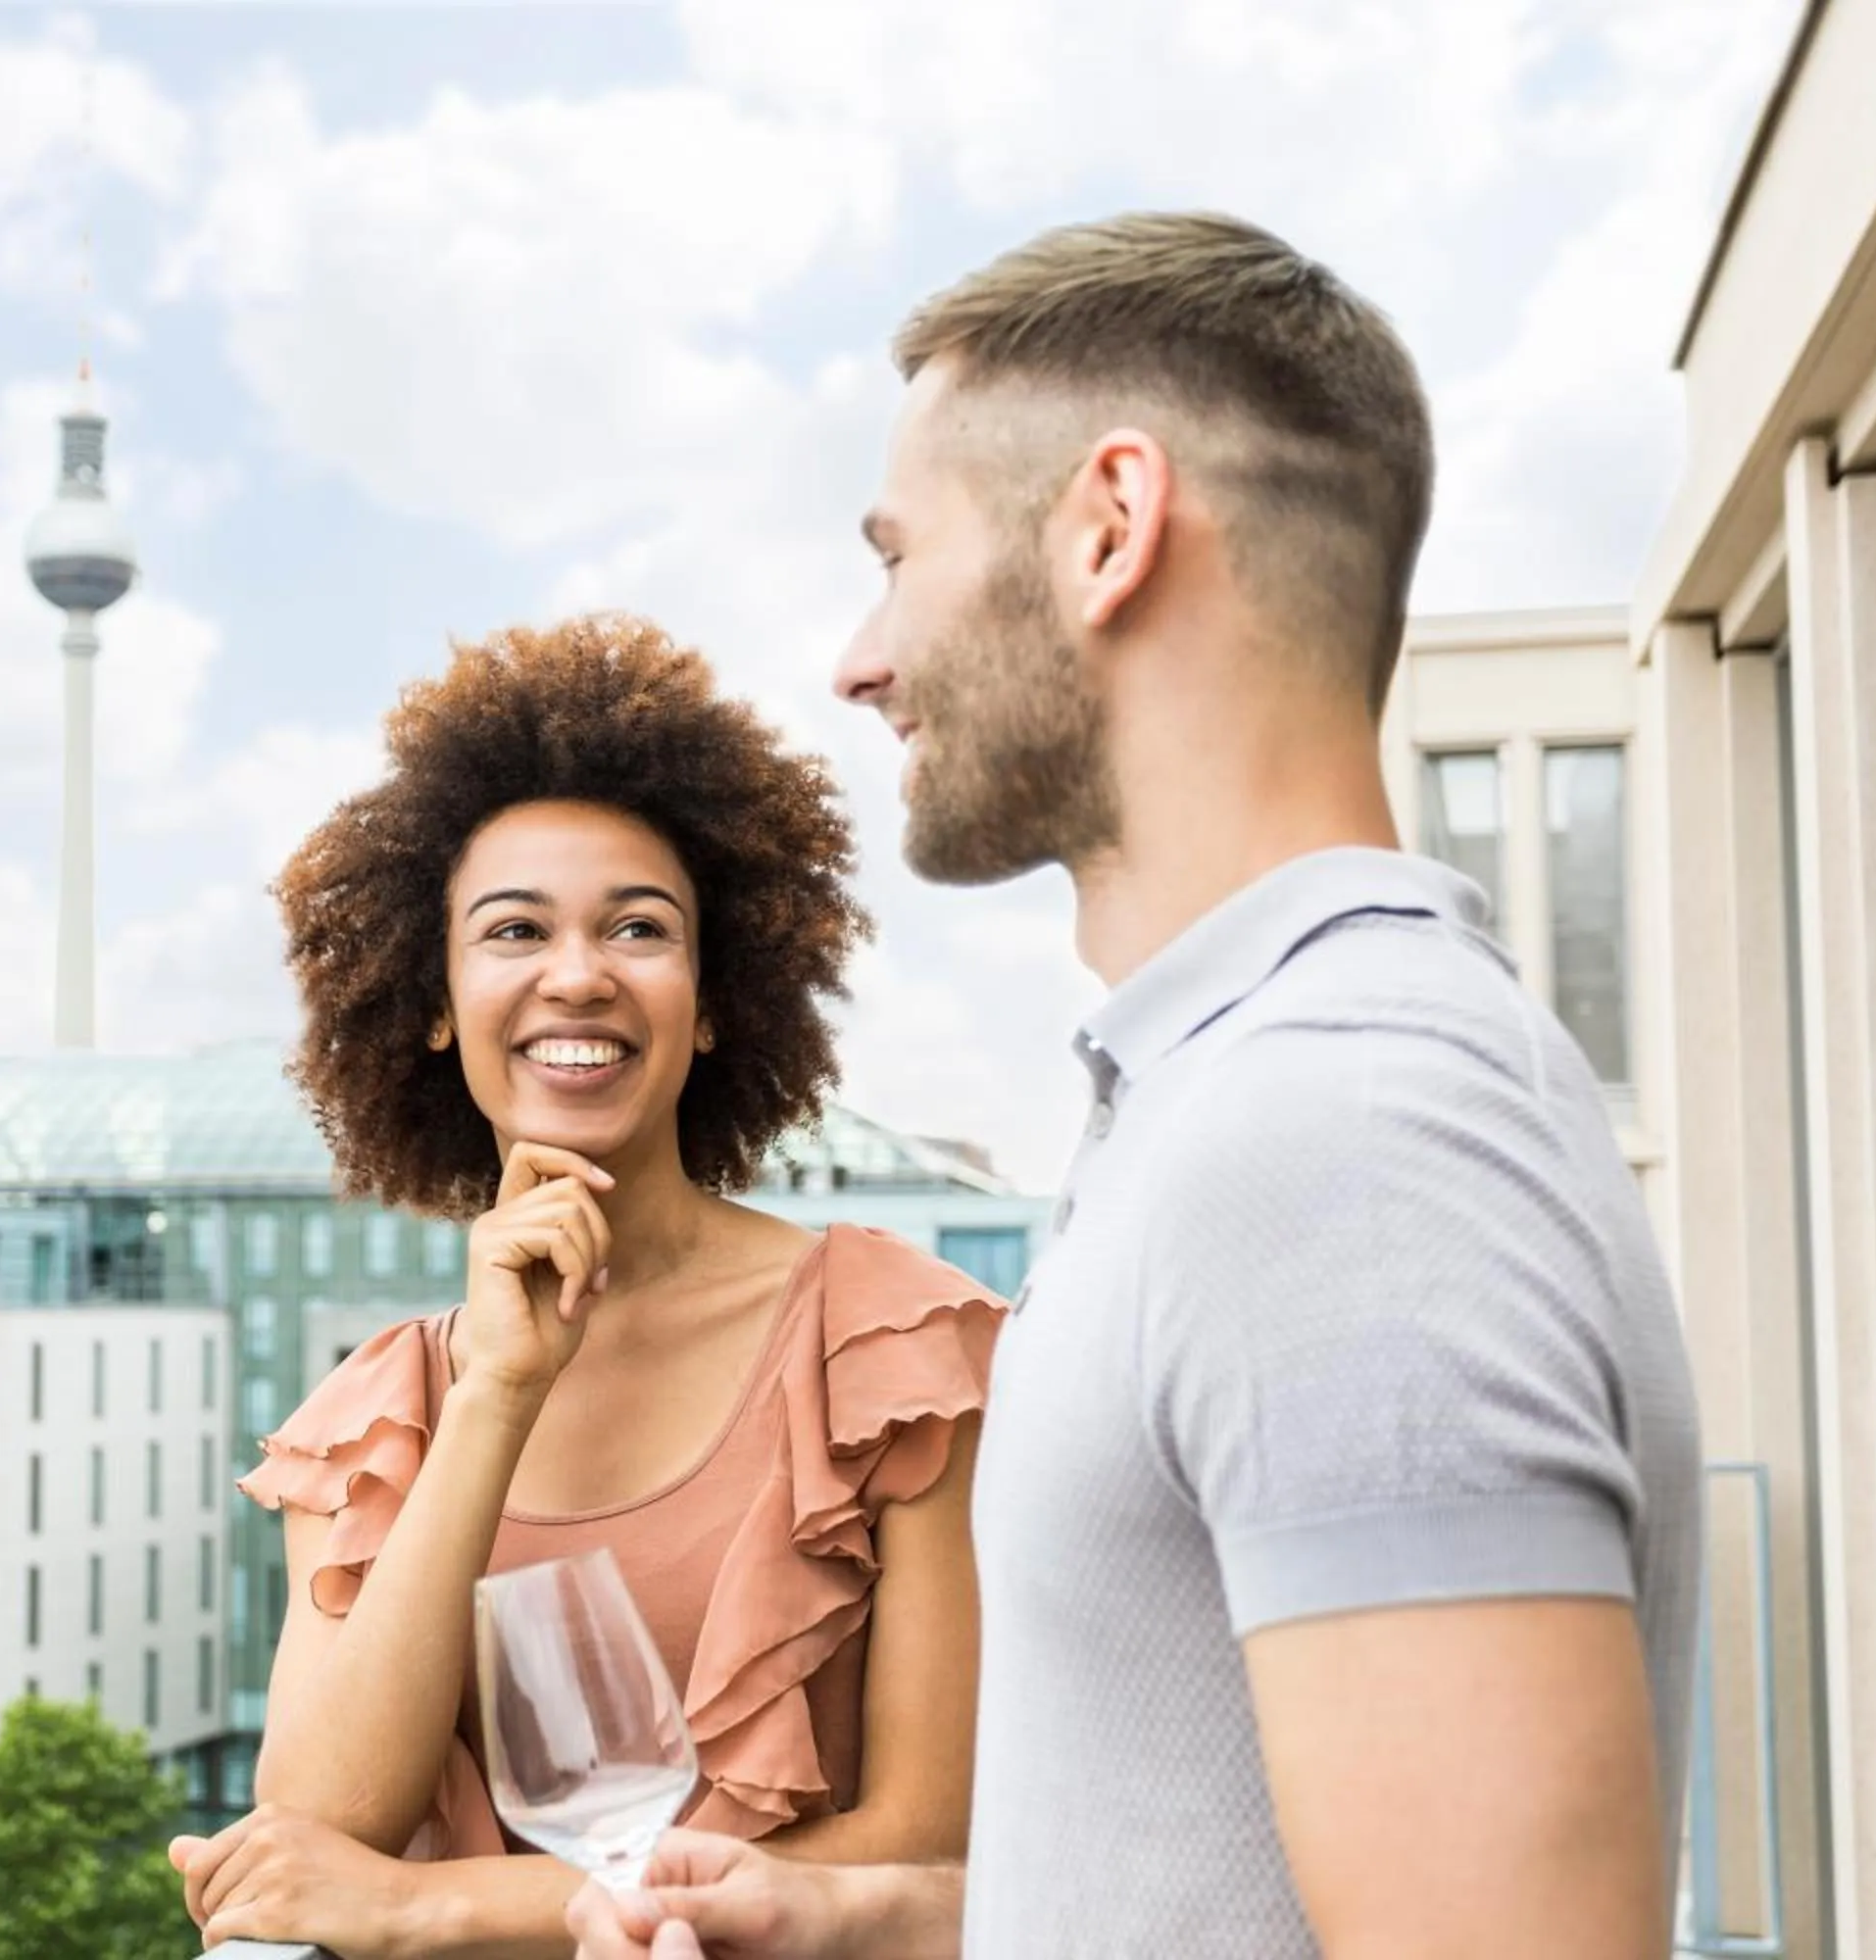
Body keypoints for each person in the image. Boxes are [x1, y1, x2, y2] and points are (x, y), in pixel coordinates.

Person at [570, 211, 1704, 1960]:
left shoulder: (1344, 1140)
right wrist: (860, 1925)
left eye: (899, 557)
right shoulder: (1238, 1100)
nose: (858, 658)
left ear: (1110, 528)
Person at [171, 616, 1007, 1957]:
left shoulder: (894, 1347)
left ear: (714, 997)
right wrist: (495, 1393)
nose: (578, 975)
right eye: (513, 931)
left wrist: (432, 1911)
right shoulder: (376, 1415)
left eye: (639, 927)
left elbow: (925, 1856)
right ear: (434, 1000)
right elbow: (320, 1833)